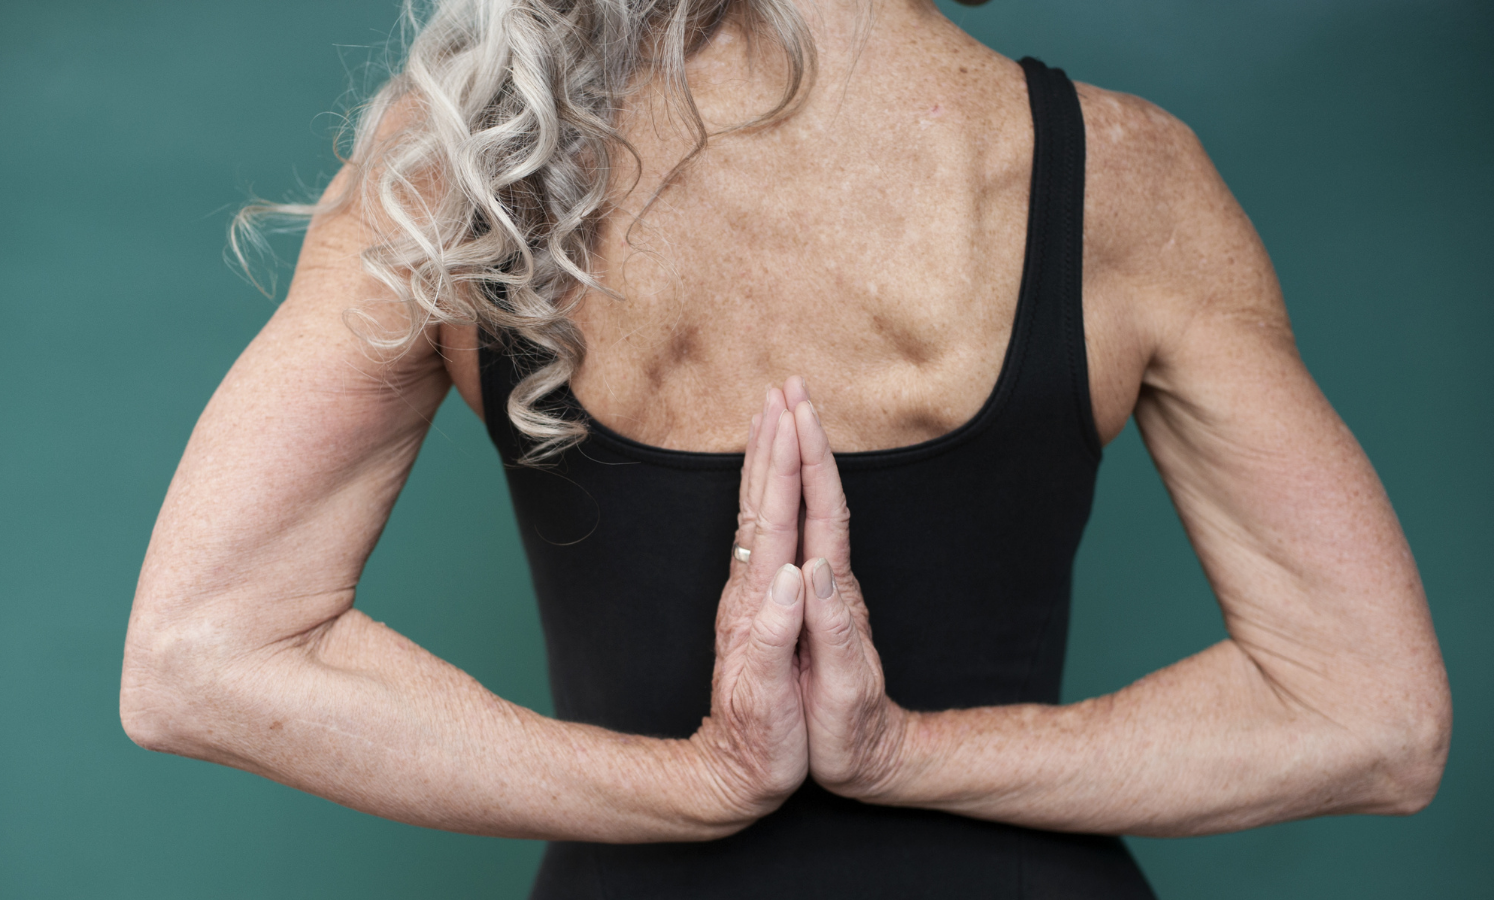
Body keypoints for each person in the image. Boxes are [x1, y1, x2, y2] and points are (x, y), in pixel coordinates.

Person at [119, 0, 1451, 895]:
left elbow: (201, 656)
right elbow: (1371, 719)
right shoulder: (1128, 173)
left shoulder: (470, 170)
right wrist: (901, 754)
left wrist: (698, 783)